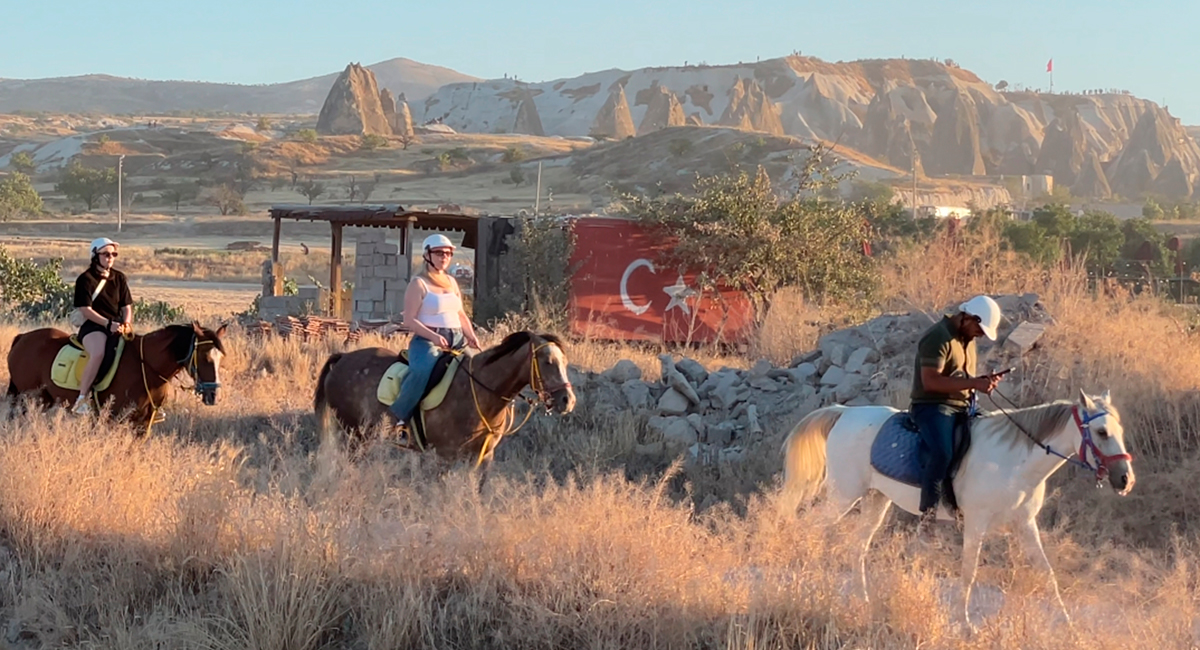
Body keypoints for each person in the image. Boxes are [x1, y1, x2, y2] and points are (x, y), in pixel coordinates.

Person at [910, 295, 1004, 531]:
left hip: (962, 406)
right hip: (932, 406)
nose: (980, 335)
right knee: (942, 452)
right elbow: (931, 382)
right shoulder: (937, 337)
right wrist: (974, 383)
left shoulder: (966, 338)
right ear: (967, 318)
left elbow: (962, 379)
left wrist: (983, 382)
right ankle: (927, 517)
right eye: (979, 329)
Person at [388, 234, 481, 432]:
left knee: (476, 373)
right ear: (427, 255)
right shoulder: (418, 284)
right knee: (421, 372)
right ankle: (398, 419)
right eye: (439, 253)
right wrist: (433, 336)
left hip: (456, 339)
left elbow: (461, 314)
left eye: (448, 253)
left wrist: (470, 335)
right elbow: (409, 319)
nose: (444, 257)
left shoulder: (451, 282)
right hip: (427, 341)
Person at [72, 237, 133, 415]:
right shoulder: (85, 279)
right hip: (93, 326)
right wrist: (107, 324)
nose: (110, 258)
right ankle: (82, 398)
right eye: (106, 254)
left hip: (118, 326)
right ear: (95, 256)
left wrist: (127, 324)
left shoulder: (119, 278)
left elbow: (126, 306)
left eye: (114, 254)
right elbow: (85, 309)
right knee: (98, 353)